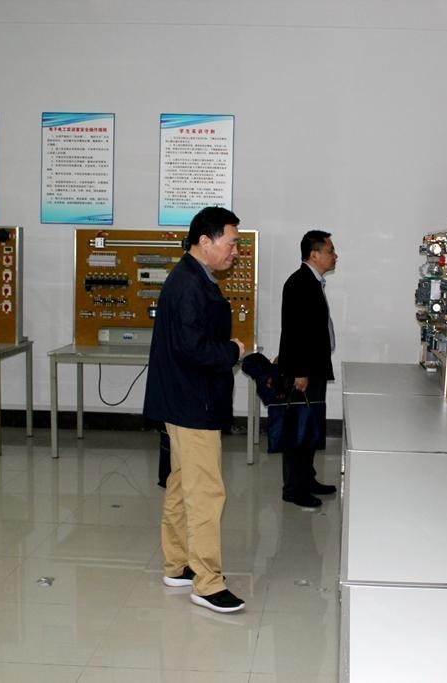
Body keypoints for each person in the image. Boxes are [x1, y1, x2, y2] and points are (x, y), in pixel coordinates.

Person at [143, 206, 247, 613]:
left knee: (181, 482)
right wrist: (232, 351)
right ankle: (207, 581)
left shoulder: (192, 276)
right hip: (193, 402)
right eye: (232, 243)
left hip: (184, 399)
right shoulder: (189, 283)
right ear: (205, 241)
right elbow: (193, 349)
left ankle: (177, 564)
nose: (236, 251)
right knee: (205, 491)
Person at [277, 230, 339, 508]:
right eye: (330, 251)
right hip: (303, 372)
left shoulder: (312, 282)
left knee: (310, 427)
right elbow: (295, 331)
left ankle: (307, 479)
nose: (335, 256)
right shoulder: (299, 283)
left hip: (313, 368)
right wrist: (299, 372)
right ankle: (293, 488)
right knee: (298, 431)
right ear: (314, 254)